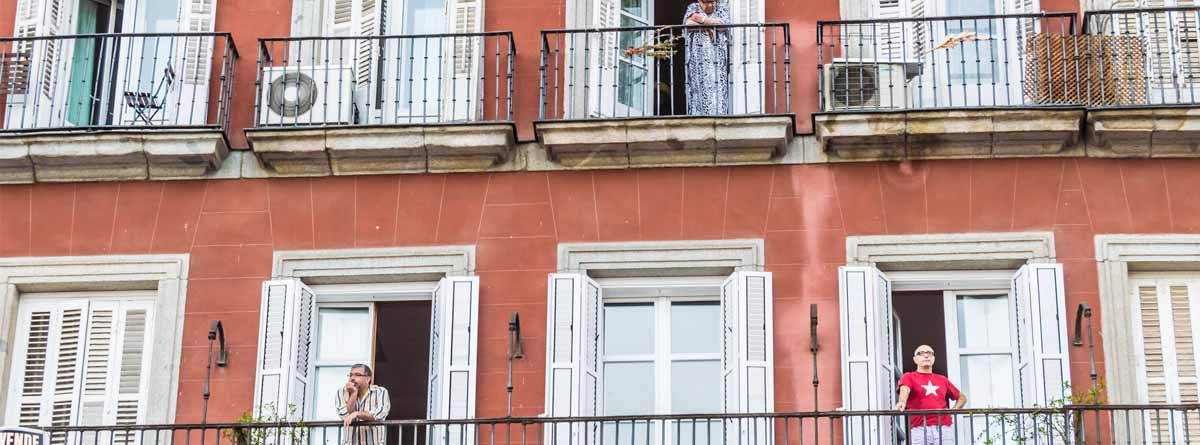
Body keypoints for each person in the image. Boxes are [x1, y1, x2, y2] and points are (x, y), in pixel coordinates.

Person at [894, 345, 967, 445]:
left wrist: (952, 411)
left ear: (933, 358)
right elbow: (905, 389)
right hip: (920, 427)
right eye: (921, 353)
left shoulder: (942, 379)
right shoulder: (909, 376)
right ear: (915, 359)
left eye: (929, 353)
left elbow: (962, 398)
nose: (926, 355)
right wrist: (902, 401)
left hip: (944, 427)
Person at [683, 0, 731, 116]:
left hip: (717, 58)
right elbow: (687, 25)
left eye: (712, 2)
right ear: (699, 1)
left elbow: (723, 25)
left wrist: (701, 20)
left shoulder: (721, 8)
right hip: (698, 58)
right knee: (698, 87)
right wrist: (707, 28)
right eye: (706, 2)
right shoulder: (693, 7)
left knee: (718, 87)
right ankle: (699, 115)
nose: (710, 5)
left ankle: (719, 115)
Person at [336, 364, 391, 445]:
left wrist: (357, 413)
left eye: (357, 375)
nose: (352, 378)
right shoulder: (342, 392)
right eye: (351, 375)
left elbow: (378, 415)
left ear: (368, 379)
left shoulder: (380, 392)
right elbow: (345, 416)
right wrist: (354, 393)